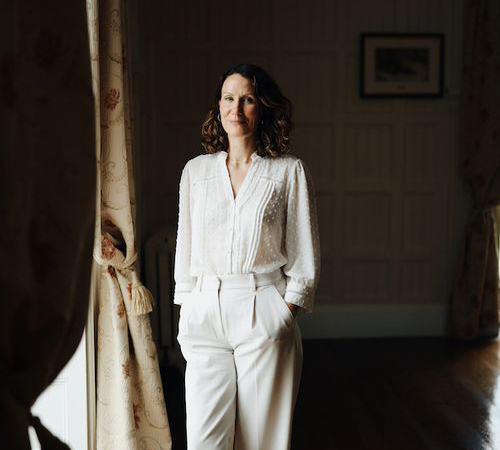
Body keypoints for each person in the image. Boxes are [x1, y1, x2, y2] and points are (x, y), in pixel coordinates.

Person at [173, 63, 321, 450]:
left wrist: (283, 313)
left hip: (262, 309)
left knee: (260, 442)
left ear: (263, 108)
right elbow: (185, 247)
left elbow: (304, 252)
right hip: (205, 313)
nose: (235, 109)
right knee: (204, 441)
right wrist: (188, 307)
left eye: (247, 99)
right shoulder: (195, 172)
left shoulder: (288, 172)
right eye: (228, 98)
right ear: (218, 107)